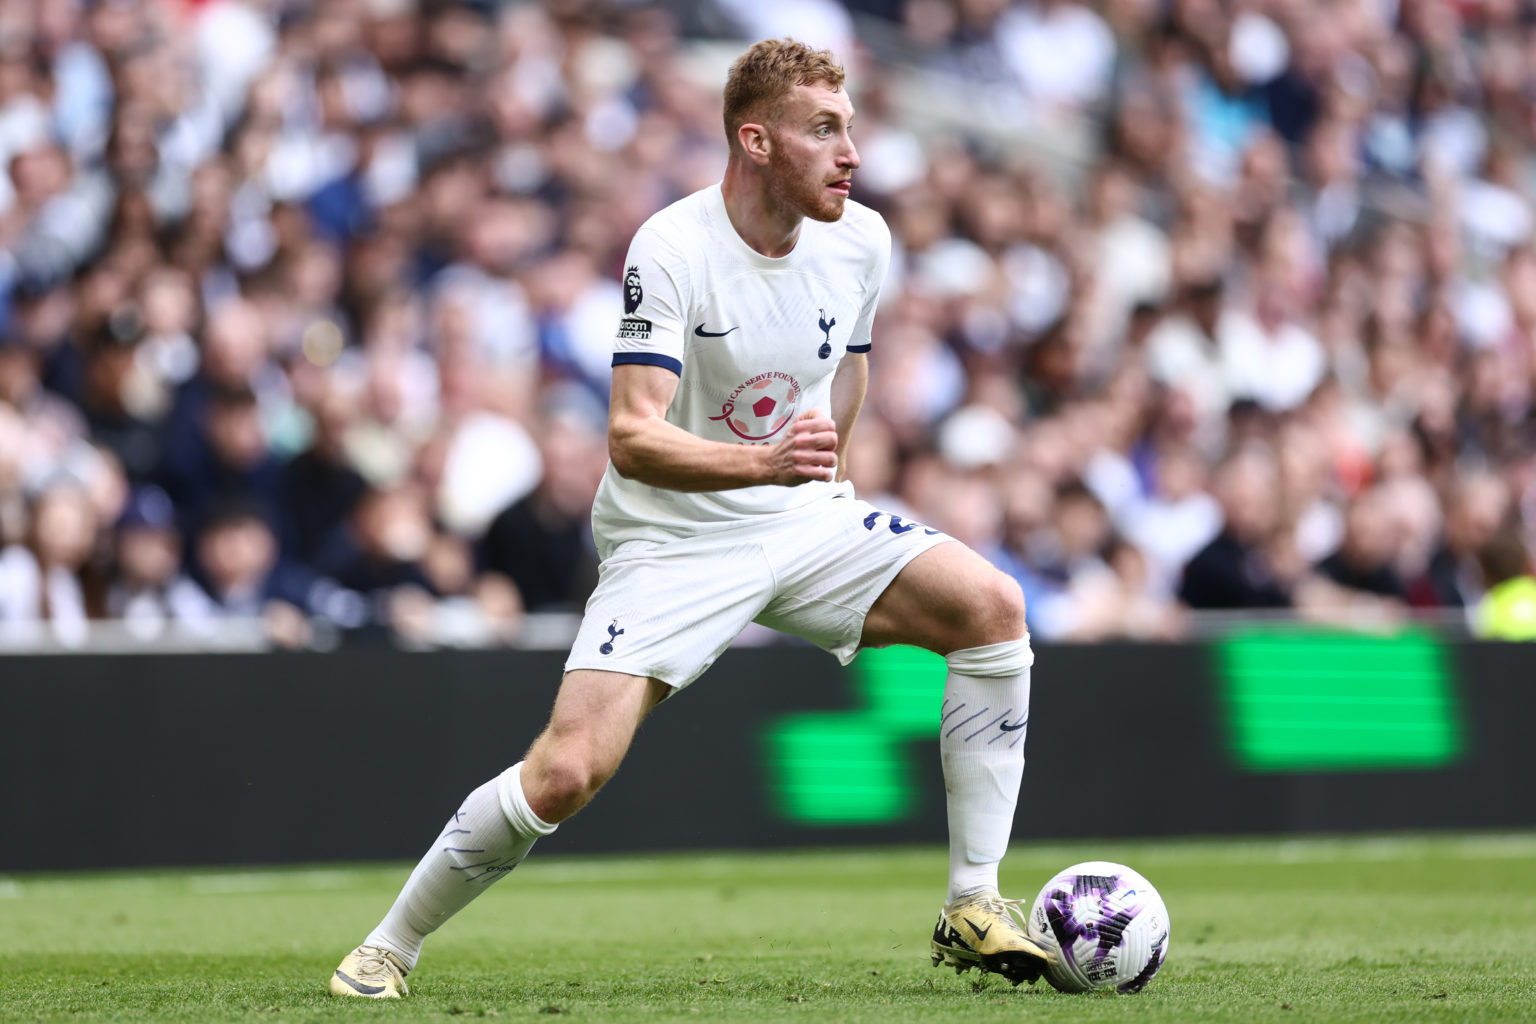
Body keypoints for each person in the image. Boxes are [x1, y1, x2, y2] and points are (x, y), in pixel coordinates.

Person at [329, 39, 1048, 999]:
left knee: (993, 607)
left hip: (802, 518)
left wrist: (824, 473)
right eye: (823, 130)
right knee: (566, 774)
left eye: (850, 126)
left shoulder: (862, 238)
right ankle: (389, 945)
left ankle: (973, 901)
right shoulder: (671, 247)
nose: (852, 153)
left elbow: (852, 368)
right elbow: (631, 437)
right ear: (755, 142)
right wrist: (765, 461)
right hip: (673, 538)